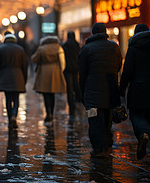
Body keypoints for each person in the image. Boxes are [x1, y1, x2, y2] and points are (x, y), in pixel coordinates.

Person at [79, 23, 122, 159]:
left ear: (93, 33)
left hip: (92, 94)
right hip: (110, 91)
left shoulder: (86, 49)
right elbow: (118, 65)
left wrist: (82, 93)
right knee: (107, 120)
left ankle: (98, 148)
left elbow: (82, 73)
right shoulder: (114, 47)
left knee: (94, 120)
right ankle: (107, 145)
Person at [119, 24, 150, 160]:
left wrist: (121, 88)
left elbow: (127, 72)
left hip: (138, 88)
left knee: (136, 115)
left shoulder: (133, 49)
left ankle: (143, 134)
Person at [0, 33, 28, 128]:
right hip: (18, 76)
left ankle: (9, 117)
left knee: (8, 98)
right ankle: (14, 115)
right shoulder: (20, 49)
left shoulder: (0, 49)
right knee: (16, 98)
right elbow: (25, 65)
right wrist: (24, 79)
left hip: (4, 76)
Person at [32, 35, 66, 122]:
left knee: (45, 93)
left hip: (44, 72)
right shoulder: (58, 47)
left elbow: (34, 59)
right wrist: (61, 70)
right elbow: (62, 61)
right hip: (55, 71)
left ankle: (48, 113)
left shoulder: (41, 48)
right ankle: (52, 113)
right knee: (53, 93)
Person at [62, 31, 82, 117]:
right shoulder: (77, 45)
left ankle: (71, 104)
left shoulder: (64, 45)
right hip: (76, 68)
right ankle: (78, 99)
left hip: (67, 69)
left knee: (69, 87)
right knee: (76, 84)